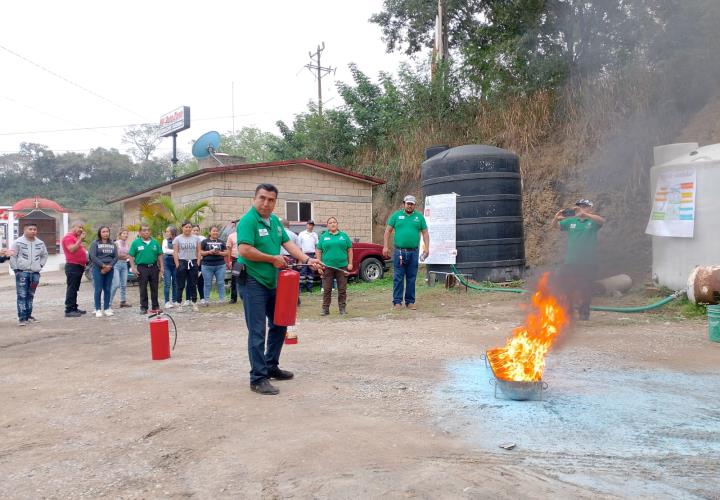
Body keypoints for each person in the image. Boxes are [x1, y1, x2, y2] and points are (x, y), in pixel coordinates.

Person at [237, 183, 323, 395]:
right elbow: (244, 250)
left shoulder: (274, 222)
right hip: (252, 281)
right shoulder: (248, 221)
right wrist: (271, 259)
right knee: (257, 331)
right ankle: (258, 378)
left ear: (275, 202)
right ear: (254, 198)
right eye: (262, 198)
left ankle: (270, 365)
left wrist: (307, 260)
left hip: (271, 281)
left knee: (280, 323)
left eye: (271, 200)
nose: (266, 203)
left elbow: (288, 244)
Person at [552, 199, 605, 321]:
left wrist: (585, 214)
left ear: (589, 208)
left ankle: (584, 313)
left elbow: (602, 221)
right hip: (571, 262)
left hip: (589, 262)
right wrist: (556, 218)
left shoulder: (592, 221)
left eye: (584, 206)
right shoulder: (571, 221)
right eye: (579, 206)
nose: (581, 208)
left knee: (586, 288)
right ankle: (568, 312)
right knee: (567, 287)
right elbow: (554, 226)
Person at [383, 195, 429, 310]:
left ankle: (410, 302)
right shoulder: (396, 216)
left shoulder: (419, 217)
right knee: (398, 277)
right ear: (404, 204)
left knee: (411, 277)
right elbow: (387, 231)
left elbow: (425, 233)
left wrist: (426, 248)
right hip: (399, 252)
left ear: (414, 205)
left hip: (414, 252)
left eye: (412, 204)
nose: (409, 205)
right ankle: (397, 302)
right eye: (408, 203)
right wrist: (385, 247)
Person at [10, 223, 48, 326]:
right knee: (22, 295)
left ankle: (29, 316)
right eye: (30, 229)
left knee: (30, 295)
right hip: (22, 273)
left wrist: (40, 265)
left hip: (35, 274)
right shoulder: (18, 242)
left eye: (35, 229)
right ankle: (22, 318)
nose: (33, 231)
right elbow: (13, 256)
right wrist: (16, 270)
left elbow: (45, 255)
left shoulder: (40, 243)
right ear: (25, 230)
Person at [316, 217, 353, 316]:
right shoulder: (323, 237)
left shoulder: (344, 236)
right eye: (330, 222)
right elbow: (318, 251)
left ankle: (342, 309)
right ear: (327, 225)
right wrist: (319, 266)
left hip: (342, 267)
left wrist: (350, 263)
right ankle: (325, 309)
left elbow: (350, 250)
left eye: (334, 222)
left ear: (337, 224)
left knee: (342, 289)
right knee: (327, 289)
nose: (333, 224)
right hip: (327, 267)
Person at [128, 225, 164, 315]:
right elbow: (131, 255)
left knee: (154, 288)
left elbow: (160, 254)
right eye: (144, 230)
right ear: (140, 232)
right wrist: (133, 267)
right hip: (142, 268)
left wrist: (162, 267)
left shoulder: (154, 242)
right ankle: (144, 307)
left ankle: (155, 306)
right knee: (143, 288)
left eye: (148, 230)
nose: (146, 232)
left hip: (154, 267)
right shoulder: (136, 243)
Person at [89, 226, 118, 318]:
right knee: (98, 289)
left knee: (108, 289)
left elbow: (116, 257)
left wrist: (109, 266)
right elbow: (93, 256)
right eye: (103, 232)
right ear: (100, 233)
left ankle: (106, 309)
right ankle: (97, 309)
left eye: (107, 231)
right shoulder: (95, 243)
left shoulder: (113, 244)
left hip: (110, 268)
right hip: (98, 268)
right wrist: (103, 266)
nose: (105, 233)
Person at [174, 221, 201, 312]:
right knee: (180, 284)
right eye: (186, 227)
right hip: (182, 262)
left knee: (193, 284)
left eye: (189, 227)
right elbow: (175, 252)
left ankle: (194, 302)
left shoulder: (196, 238)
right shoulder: (177, 239)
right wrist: (177, 264)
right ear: (182, 228)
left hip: (193, 262)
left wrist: (198, 262)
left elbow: (198, 251)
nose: (188, 229)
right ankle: (179, 303)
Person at [62, 221, 88, 318]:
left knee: (75, 288)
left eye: (82, 228)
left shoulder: (74, 238)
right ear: (73, 227)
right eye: (79, 227)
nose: (81, 229)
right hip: (73, 266)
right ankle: (69, 310)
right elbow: (72, 249)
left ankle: (74, 307)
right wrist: (80, 240)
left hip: (78, 266)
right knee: (72, 288)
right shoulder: (68, 237)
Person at [200, 225, 228, 305]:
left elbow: (226, 253)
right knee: (207, 283)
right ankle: (206, 300)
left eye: (216, 231)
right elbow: (200, 252)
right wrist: (209, 252)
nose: (215, 232)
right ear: (210, 232)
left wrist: (219, 253)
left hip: (220, 265)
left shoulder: (222, 242)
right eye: (213, 231)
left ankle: (222, 299)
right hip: (207, 266)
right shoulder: (204, 242)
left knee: (220, 282)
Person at [110, 229, 132, 308]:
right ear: (120, 235)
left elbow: (130, 255)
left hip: (124, 265)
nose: (126, 235)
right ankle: (108, 303)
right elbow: (116, 255)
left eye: (127, 234)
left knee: (124, 284)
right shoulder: (116, 243)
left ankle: (123, 301)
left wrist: (127, 256)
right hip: (116, 264)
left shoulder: (127, 244)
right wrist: (127, 256)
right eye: (124, 233)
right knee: (116, 284)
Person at [297, 220, 319, 292]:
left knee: (311, 271)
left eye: (312, 225)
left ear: (313, 226)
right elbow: (299, 247)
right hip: (304, 255)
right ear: (306, 225)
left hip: (312, 255)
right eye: (309, 224)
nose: (310, 226)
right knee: (303, 272)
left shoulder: (315, 235)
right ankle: (301, 288)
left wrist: (316, 255)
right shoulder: (302, 234)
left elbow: (316, 246)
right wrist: (300, 258)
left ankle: (309, 288)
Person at [161, 226, 179, 309]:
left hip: (175, 263)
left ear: (173, 232)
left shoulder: (178, 240)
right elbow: (165, 251)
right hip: (167, 264)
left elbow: (180, 251)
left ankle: (175, 300)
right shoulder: (165, 241)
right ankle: (167, 301)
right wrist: (175, 252)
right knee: (167, 283)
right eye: (166, 231)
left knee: (175, 283)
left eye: (168, 231)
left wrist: (173, 252)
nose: (167, 233)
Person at [226, 219, 240, 303]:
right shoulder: (231, 236)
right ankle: (233, 298)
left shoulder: (248, 234)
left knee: (248, 278)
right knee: (235, 278)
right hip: (236, 259)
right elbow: (229, 250)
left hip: (247, 259)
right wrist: (229, 261)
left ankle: (246, 297)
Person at [192, 224, 206, 304]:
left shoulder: (203, 239)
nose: (195, 232)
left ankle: (202, 297)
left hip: (201, 261)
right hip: (191, 261)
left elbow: (204, 250)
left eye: (197, 230)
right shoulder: (188, 238)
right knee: (191, 281)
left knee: (201, 280)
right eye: (194, 230)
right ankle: (189, 299)